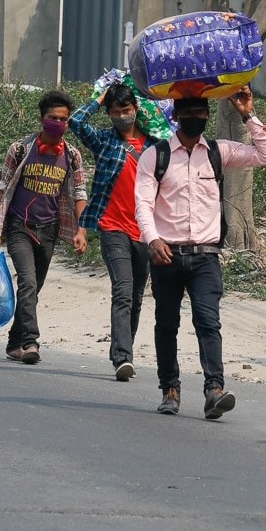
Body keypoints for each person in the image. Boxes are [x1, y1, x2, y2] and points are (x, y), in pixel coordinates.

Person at [134, 86, 266, 418]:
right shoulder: (156, 156)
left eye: (201, 114)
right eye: (189, 114)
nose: (195, 119)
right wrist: (152, 240)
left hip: (205, 257)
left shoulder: (218, 151)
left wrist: (248, 114)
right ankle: (170, 390)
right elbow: (142, 203)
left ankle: (214, 390)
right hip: (166, 255)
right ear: (176, 116)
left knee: (208, 322)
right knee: (166, 324)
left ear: (207, 116)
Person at [0, 90, 88, 364]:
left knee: (34, 288)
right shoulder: (20, 149)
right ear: (42, 119)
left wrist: (81, 230)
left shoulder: (72, 156)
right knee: (28, 283)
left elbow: (79, 193)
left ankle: (13, 343)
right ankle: (31, 342)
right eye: (53, 118)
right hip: (19, 226)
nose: (58, 123)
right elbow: (3, 189)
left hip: (49, 229)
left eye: (63, 119)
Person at [69, 83, 159, 381]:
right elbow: (76, 121)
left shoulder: (155, 145)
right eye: (115, 112)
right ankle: (123, 357)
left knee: (136, 295)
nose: (121, 116)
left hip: (145, 230)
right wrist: (99, 99)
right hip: (112, 227)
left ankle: (123, 348)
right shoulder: (105, 141)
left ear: (136, 109)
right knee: (122, 290)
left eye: (126, 110)